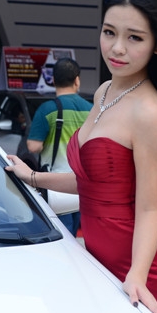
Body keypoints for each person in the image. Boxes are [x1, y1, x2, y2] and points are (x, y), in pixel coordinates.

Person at [5, 0, 157, 313]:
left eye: (134, 38)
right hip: (99, 257)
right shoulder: (103, 93)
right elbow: (94, 182)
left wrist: (137, 276)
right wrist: (32, 178)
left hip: (139, 269)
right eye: (109, 32)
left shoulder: (148, 113)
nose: (117, 48)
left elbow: (149, 208)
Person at [26, 57, 92, 236]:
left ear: (53, 80)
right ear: (77, 80)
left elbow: (33, 146)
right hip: (84, 184)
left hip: (56, 185)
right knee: (77, 233)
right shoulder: (91, 109)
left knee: (62, 234)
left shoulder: (47, 109)